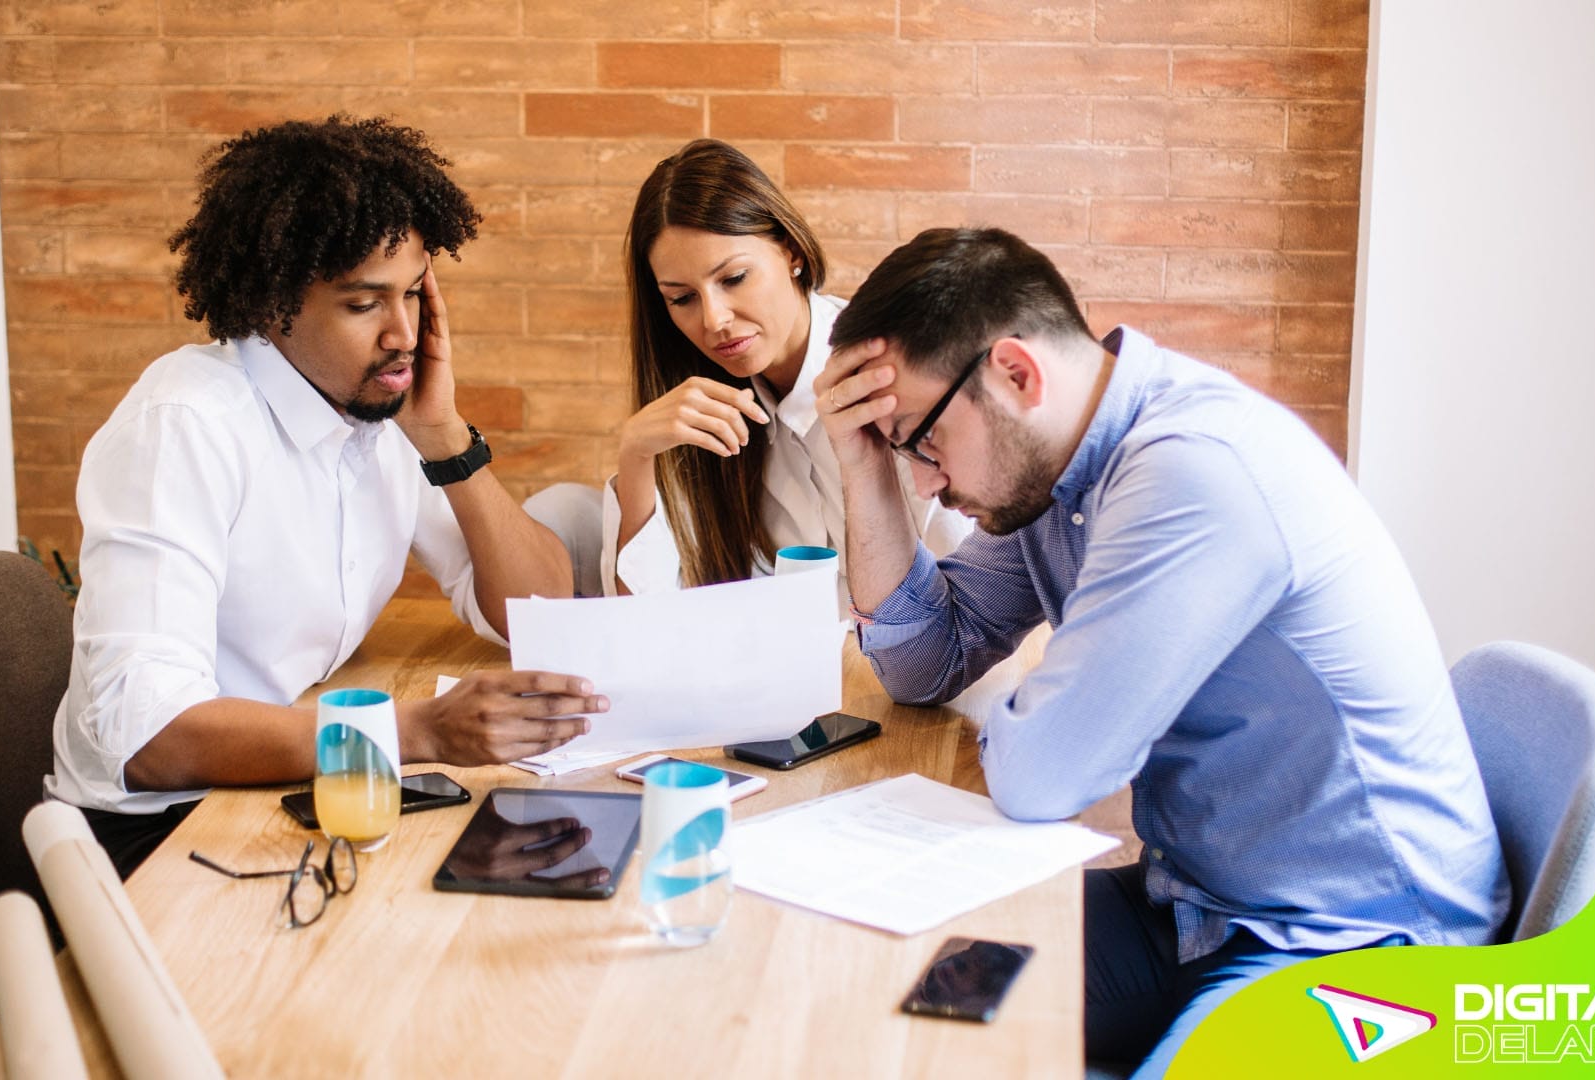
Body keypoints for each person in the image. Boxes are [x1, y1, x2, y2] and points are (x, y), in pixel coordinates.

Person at [814, 227, 1508, 1076]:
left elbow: (1043, 777)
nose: (924, 479)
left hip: (1358, 944)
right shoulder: (1055, 477)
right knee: (877, 983)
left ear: (1016, 375)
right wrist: (864, 468)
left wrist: (1050, 715)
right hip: (1193, 908)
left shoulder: (1192, 473)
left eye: (922, 441)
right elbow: (924, 665)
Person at [46, 116, 609, 876]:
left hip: (287, 782)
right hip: (160, 833)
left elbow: (540, 617)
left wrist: (443, 437)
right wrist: (416, 732)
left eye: (413, 294)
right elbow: (145, 736)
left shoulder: (377, 411)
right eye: (363, 304)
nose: (404, 334)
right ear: (275, 303)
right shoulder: (183, 427)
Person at [597, 139, 970, 597]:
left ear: (791, 251)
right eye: (682, 298)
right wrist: (635, 453)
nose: (714, 320)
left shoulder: (889, 379)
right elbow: (645, 616)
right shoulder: (704, 410)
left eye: (733, 278)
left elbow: (972, 594)